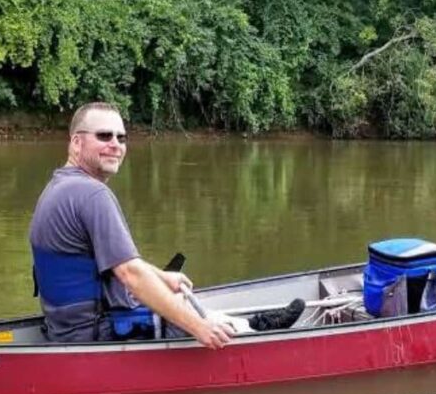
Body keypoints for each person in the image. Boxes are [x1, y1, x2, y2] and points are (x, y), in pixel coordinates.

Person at [29, 102, 304, 346]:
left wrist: (161, 277)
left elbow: (111, 262)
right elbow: (130, 274)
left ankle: (252, 324)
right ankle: (256, 332)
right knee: (184, 315)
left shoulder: (58, 186)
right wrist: (199, 328)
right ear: (77, 142)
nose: (116, 144)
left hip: (64, 330)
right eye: (104, 136)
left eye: (122, 137)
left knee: (174, 298)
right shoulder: (93, 195)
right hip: (94, 334)